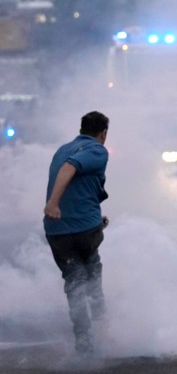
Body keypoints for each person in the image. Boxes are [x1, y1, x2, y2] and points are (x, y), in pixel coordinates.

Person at [43, 111, 110, 355]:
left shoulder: (63, 149)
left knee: (74, 281)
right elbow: (71, 168)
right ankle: (104, 329)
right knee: (91, 273)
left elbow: (76, 185)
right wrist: (53, 203)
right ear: (103, 133)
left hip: (57, 231)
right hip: (82, 229)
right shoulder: (97, 150)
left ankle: (84, 342)